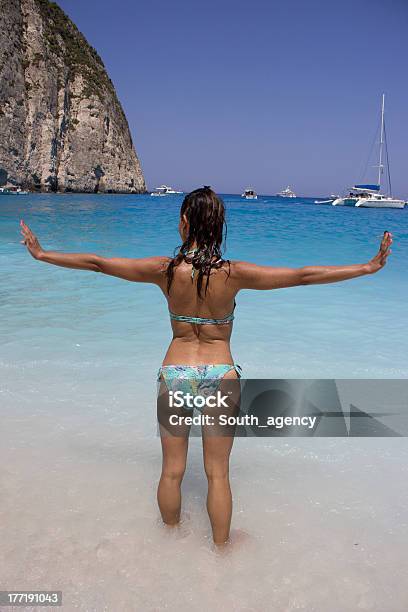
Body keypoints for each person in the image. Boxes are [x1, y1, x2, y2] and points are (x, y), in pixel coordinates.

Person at [20, 186, 393, 547]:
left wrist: (43, 255)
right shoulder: (234, 274)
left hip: (175, 374)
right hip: (220, 376)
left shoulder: (163, 270)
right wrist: (367, 266)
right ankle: (222, 550)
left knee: (172, 471)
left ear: (184, 221)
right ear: (217, 226)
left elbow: (99, 263)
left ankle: (167, 544)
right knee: (218, 473)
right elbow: (303, 275)